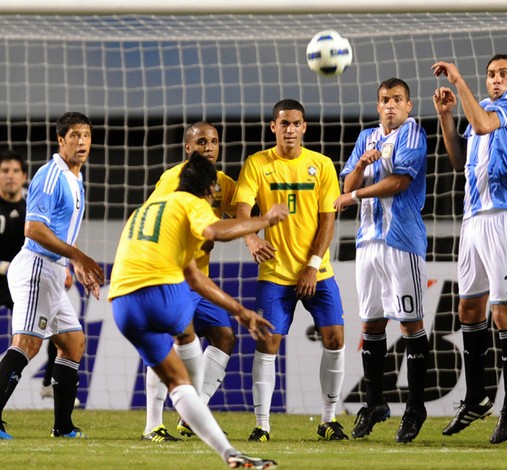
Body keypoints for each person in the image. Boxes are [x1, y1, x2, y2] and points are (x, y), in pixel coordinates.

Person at [108, 154, 283, 469]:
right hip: (162, 294)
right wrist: (264, 221)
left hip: (122, 305)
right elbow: (216, 231)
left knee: (177, 381)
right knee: (187, 347)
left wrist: (239, 310)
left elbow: (194, 276)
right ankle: (198, 405)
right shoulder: (193, 203)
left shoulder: (148, 209)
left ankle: (228, 453)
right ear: (211, 188)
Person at [234, 99, 347, 442]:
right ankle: (262, 425)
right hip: (274, 273)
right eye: (284, 124)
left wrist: (313, 266)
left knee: (336, 338)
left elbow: (328, 221)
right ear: (273, 127)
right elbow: (241, 208)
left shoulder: (322, 165)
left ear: (304, 128)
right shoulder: (257, 164)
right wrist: (252, 238)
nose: (290, 129)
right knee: (268, 342)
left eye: (296, 123)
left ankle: (328, 420)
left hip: (317, 271)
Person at [432, 54, 507, 444]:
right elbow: (458, 159)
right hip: (472, 218)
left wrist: (458, 80)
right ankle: (476, 397)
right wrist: (444, 116)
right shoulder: (483, 107)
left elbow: (484, 124)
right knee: (469, 308)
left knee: (503, 311)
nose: (495, 80)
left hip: (503, 215)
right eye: (490, 75)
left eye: (502, 74)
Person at [333, 78, 430, 443]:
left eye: (397, 100)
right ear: (378, 107)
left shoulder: (412, 133)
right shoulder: (366, 138)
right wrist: (361, 163)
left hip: (401, 242)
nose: (391, 105)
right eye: (385, 100)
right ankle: (375, 404)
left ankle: (416, 408)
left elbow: (400, 182)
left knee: (409, 325)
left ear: (408, 105)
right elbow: (347, 185)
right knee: (372, 326)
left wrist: (356, 192)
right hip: (368, 242)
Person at [0, 112, 105, 440]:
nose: (82, 141)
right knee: (28, 343)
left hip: (53, 271)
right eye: (74, 135)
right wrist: (78, 255)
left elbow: (60, 230)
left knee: (73, 342)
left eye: (86, 135)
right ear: (61, 141)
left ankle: (63, 426)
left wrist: (72, 262)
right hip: (35, 267)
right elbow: (34, 229)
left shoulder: (75, 177)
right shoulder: (50, 175)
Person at [141, 121, 238, 442]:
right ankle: (153, 425)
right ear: (187, 148)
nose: (208, 147)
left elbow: (244, 206)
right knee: (165, 345)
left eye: (213, 141)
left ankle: (191, 415)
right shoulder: (173, 179)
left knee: (224, 336)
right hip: (170, 276)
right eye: (200, 142)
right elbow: (154, 218)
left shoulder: (221, 182)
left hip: (199, 279)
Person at [0, 150, 27, 311]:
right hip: (5, 271)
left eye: (16, 171)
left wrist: (64, 266)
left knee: (54, 330)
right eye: (4, 171)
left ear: (24, 176)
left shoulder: (33, 207)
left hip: (21, 279)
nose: (10, 176)